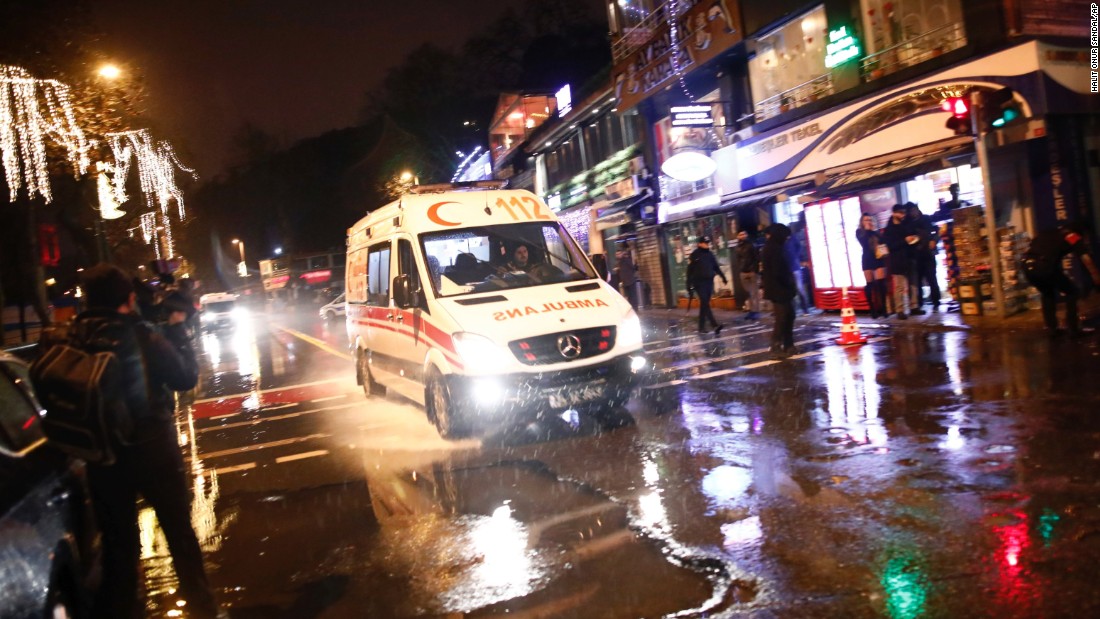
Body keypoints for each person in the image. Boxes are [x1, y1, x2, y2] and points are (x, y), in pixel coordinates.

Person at [72, 263, 219, 619]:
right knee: (179, 536)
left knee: (118, 550)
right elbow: (185, 377)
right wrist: (179, 329)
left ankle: (123, 610)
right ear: (130, 298)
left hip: (103, 457)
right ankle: (201, 609)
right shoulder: (141, 335)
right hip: (153, 449)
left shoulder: (72, 340)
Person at [1023, 223, 1100, 338]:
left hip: (1027, 266)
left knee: (1047, 293)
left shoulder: (1048, 232)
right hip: (1043, 265)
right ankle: (1074, 329)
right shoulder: (1071, 236)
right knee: (1072, 292)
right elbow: (1085, 258)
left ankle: (1052, 328)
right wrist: (1096, 277)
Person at [762, 224, 797, 355]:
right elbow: (778, 271)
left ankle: (788, 345)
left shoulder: (773, 246)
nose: (787, 239)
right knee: (783, 318)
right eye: (786, 236)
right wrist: (789, 283)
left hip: (779, 288)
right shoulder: (774, 248)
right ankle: (776, 346)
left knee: (788, 316)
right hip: (780, 289)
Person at [686, 236, 728, 334]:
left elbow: (716, 267)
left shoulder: (710, 255)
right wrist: (688, 285)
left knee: (705, 305)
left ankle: (702, 327)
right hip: (699, 283)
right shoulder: (694, 255)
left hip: (709, 282)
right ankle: (714, 325)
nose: (707, 244)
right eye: (705, 243)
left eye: (708, 243)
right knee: (705, 302)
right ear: (700, 243)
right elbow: (689, 271)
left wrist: (723, 277)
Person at [883, 204, 918, 320]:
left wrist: (913, 239)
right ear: (893, 213)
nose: (902, 215)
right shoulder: (889, 229)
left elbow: (911, 236)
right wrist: (905, 240)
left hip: (909, 258)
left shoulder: (905, 225)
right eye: (900, 213)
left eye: (903, 212)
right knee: (899, 287)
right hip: (897, 260)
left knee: (913, 284)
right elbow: (890, 246)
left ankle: (914, 307)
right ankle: (900, 310)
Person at [906, 202, 940, 314]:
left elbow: (936, 231)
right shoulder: (908, 223)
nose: (913, 212)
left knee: (932, 279)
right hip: (916, 256)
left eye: (914, 210)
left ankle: (936, 302)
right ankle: (920, 303)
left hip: (928, 254)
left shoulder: (926, 218)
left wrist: (934, 240)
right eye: (910, 211)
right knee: (918, 281)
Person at [855, 213, 889, 318]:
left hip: (878, 259)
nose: (868, 221)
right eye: (866, 220)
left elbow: (883, 242)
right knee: (870, 285)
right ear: (862, 222)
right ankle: (872, 309)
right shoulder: (859, 232)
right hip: (867, 259)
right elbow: (864, 242)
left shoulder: (876, 232)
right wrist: (868, 230)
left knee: (881, 284)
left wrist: (874, 231)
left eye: (870, 219)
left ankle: (883, 308)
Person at [735, 230, 761, 320]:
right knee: (748, 293)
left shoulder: (751, 245)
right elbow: (738, 259)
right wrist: (740, 269)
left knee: (754, 293)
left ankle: (755, 311)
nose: (742, 236)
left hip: (751, 271)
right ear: (738, 236)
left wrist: (754, 270)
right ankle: (751, 311)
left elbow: (756, 258)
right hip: (743, 272)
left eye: (744, 234)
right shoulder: (738, 247)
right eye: (740, 234)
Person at [617, 243, 638, 308]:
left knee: (632, 295)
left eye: (618, 254)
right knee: (628, 296)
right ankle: (632, 307)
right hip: (625, 282)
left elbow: (632, 267)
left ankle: (634, 307)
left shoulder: (626, 260)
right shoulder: (620, 262)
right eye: (617, 254)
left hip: (630, 281)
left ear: (622, 253)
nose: (617, 255)